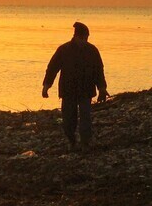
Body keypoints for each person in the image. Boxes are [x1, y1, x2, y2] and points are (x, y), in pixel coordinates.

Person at [42, 22, 108, 151]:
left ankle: (85, 143)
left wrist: (102, 88)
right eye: (84, 37)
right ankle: (71, 141)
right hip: (68, 91)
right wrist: (46, 85)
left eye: (87, 38)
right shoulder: (64, 49)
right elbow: (52, 68)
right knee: (68, 120)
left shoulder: (92, 50)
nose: (85, 40)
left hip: (86, 91)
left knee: (85, 118)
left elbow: (99, 71)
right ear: (77, 36)